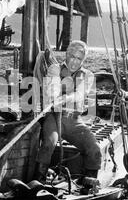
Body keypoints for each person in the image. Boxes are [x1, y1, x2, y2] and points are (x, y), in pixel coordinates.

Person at [34, 40, 102, 183]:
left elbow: (80, 94)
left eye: (79, 58)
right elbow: (52, 89)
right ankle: (38, 181)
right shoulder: (54, 69)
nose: (74, 61)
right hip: (53, 118)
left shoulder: (88, 75)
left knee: (94, 149)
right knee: (48, 145)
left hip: (74, 121)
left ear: (83, 60)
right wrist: (55, 95)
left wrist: (65, 97)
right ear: (66, 55)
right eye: (72, 57)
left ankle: (89, 184)